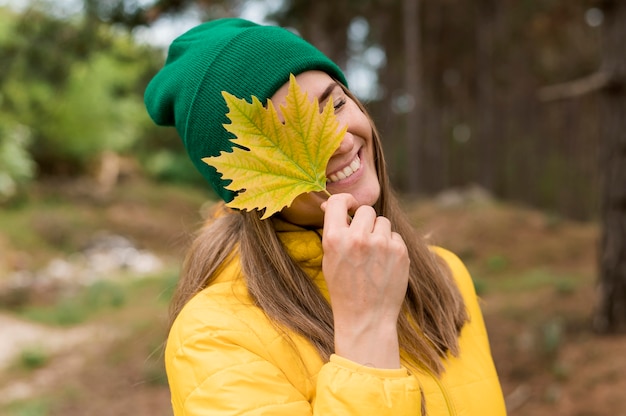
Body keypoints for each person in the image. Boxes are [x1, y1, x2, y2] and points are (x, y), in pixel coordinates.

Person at [144, 17, 507, 415]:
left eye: (334, 103)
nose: (338, 140)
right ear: (247, 186)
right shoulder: (214, 337)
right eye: (288, 140)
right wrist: (365, 330)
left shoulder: (445, 273)